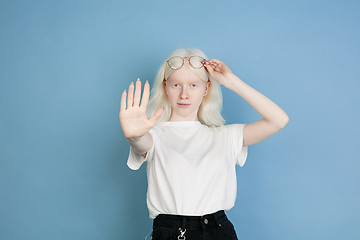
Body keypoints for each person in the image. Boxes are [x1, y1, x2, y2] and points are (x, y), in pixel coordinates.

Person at [119, 48, 289, 240]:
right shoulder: (153, 135)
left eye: (193, 85)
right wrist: (134, 136)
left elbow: (279, 120)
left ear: (206, 89)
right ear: (165, 87)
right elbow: (142, 144)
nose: (184, 94)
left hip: (219, 230)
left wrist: (232, 82)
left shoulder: (225, 136)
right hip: (172, 232)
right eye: (176, 85)